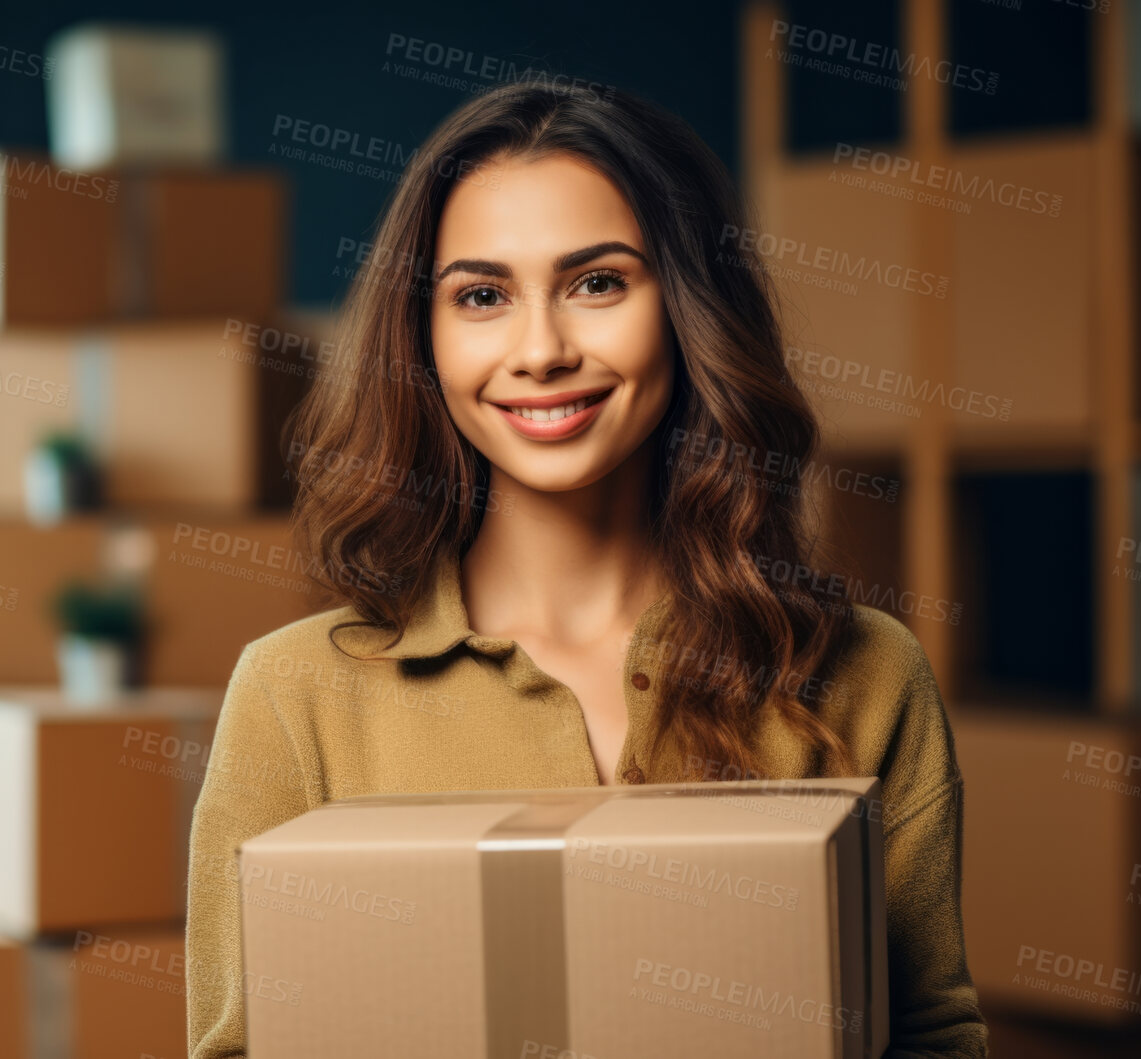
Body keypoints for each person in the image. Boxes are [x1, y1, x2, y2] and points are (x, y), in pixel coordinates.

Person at [185, 79, 987, 1058]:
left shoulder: (862, 672)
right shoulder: (294, 694)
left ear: (688, 305)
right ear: (421, 336)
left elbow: (929, 1037)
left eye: (596, 282)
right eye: (481, 296)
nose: (540, 350)